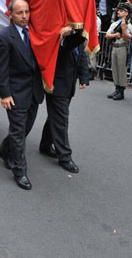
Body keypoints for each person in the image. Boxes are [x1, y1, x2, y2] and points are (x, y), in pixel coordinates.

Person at [0, 0, 44, 190]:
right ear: (11, 15)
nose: (24, 16)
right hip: (15, 93)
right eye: (20, 13)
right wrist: (5, 94)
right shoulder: (3, 37)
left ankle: (3, 150)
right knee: (18, 132)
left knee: (25, 129)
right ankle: (19, 170)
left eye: (27, 12)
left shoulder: (37, 33)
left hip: (34, 91)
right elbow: (0, 69)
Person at [38, 26, 89, 173]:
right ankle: (65, 156)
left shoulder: (77, 33)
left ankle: (45, 144)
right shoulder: (57, 32)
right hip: (56, 83)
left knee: (55, 116)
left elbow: (81, 55)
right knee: (61, 119)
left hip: (69, 83)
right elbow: (61, 50)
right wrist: (69, 34)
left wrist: (84, 77)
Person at [105, 3, 131, 100]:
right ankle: (116, 88)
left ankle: (121, 90)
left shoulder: (128, 24)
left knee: (121, 69)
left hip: (122, 47)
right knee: (115, 68)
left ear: (126, 13)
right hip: (114, 47)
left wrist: (124, 29)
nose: (118, 12)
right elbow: (107, 35)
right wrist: (114, 35)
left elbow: (128, 38)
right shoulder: (115, 24)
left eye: (121, 11)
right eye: (118, 10)